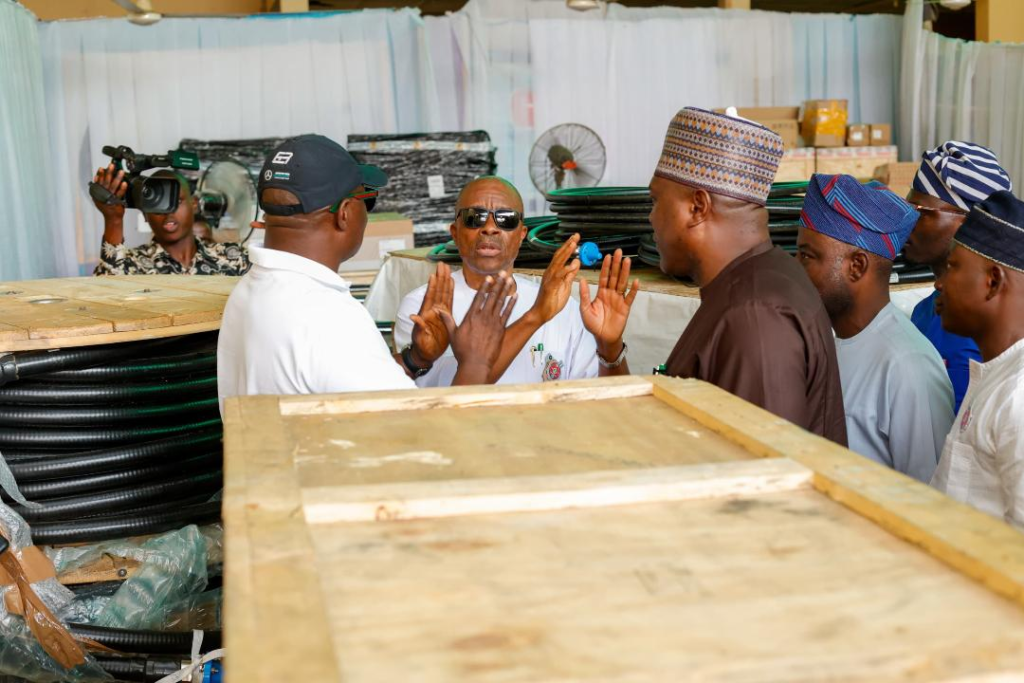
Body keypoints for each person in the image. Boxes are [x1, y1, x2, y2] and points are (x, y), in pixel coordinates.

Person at [217, 135, 514, 411]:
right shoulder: (326, 316)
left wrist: (415, 359)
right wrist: (476, 362)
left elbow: (341, 384)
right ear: (345, 213)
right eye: (367, 200)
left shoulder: (249, 291)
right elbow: (426, 433)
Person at [618, 107, 846, 444]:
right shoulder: (758, 280)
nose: (651, 218)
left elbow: (763, 468)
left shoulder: (755, 315)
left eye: (655, 200)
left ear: (698, 207)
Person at [394, 177, 635, 385]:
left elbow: (609, 401)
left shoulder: (564, 308)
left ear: (521, 235)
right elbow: (450, 400)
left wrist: (610, 347)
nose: (490, 228)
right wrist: (537, 315)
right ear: (455, 233)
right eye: (474, 217)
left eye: (506, 218)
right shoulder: (423, 308)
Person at [796, 174, 954, 482]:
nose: (796, 267)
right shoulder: (828, 342)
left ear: (856, 266)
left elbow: (928, 497)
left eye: (807, 256)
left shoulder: (907, 366)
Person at [930, 190, 1024, 528]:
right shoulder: (996, 376)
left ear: (992, 282)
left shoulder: (1017, 395)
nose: (939, 284)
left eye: (952, 267)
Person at [902, 141, 1013, 412]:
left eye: (920, 213)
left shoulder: (993, 328)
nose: (907, 222)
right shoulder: (923, 313)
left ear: (968, 222)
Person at [91, 166, 250, 275]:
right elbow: (108, 293)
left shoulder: (232, 257)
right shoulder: (133, 265)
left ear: (194, 205)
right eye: (158, 204)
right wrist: (113, 220)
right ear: (145, 214)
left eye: (176, 201)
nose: (168, 211)